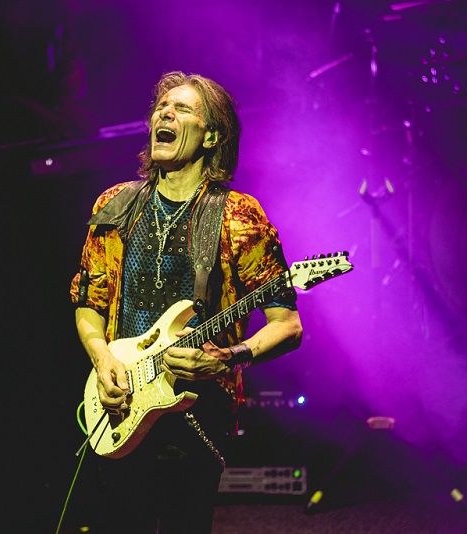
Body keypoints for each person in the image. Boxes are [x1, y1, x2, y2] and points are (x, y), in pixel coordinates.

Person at [69, 70, 303, 533]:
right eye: (161, 106)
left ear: (211, 135)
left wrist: (229, 357)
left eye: (181, 109)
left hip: (198, 411)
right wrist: (102, 358)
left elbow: (288, 324)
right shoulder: (114, 205)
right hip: (121, 403)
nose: (165, 113)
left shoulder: (239, 216)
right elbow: (88, 303)